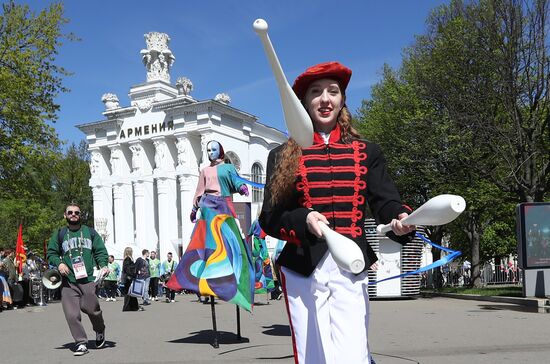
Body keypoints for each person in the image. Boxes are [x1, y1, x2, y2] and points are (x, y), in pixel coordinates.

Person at [259, 61, 415, 364]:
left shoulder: (367, 151)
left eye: (333, 91)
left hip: (351, 264)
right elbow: (270, 218)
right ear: (303, 102)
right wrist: (303, 219)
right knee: (312, 355)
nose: (325, 99)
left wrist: (400, 218)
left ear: (342, 99)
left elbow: (385, 201)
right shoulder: (280, 155)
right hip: (303, 266)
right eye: (316, 93)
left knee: (352, 352)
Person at [166, 140, 255, 311]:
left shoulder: (228, 168)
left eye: (213, 149)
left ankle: (234, 277)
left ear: (220, 151)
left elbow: (236, 181)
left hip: (224, 205)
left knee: (232, 241)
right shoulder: (204, 171)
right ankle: (194, 277)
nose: (210, 152)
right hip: (208, 205)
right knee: (205, 241)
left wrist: (242, 186)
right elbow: (200, 191)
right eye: (208, 150)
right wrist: (194, 208)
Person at [46, 203, 109, 356]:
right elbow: (51, 253)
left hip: (87, 279)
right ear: (65, 215)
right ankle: (81, 342)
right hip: (68, 281)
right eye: (70, 212)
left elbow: (100, 251)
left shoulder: (90, 232)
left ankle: (99, 329)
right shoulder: (60, 234)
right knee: (71, 314)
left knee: (92, 310)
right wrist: (59, 263)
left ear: (80, 215)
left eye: (76, 212)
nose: (73, 214)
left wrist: (104, 265)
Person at [121, 247, 142, 312]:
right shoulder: (128, 259)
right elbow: (128, 269)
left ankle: (131, 307)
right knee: (131, 293)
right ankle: (133, 307)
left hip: (128, 278)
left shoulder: (127, 259)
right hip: (129, 278)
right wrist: (134, 272)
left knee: (130, 293)